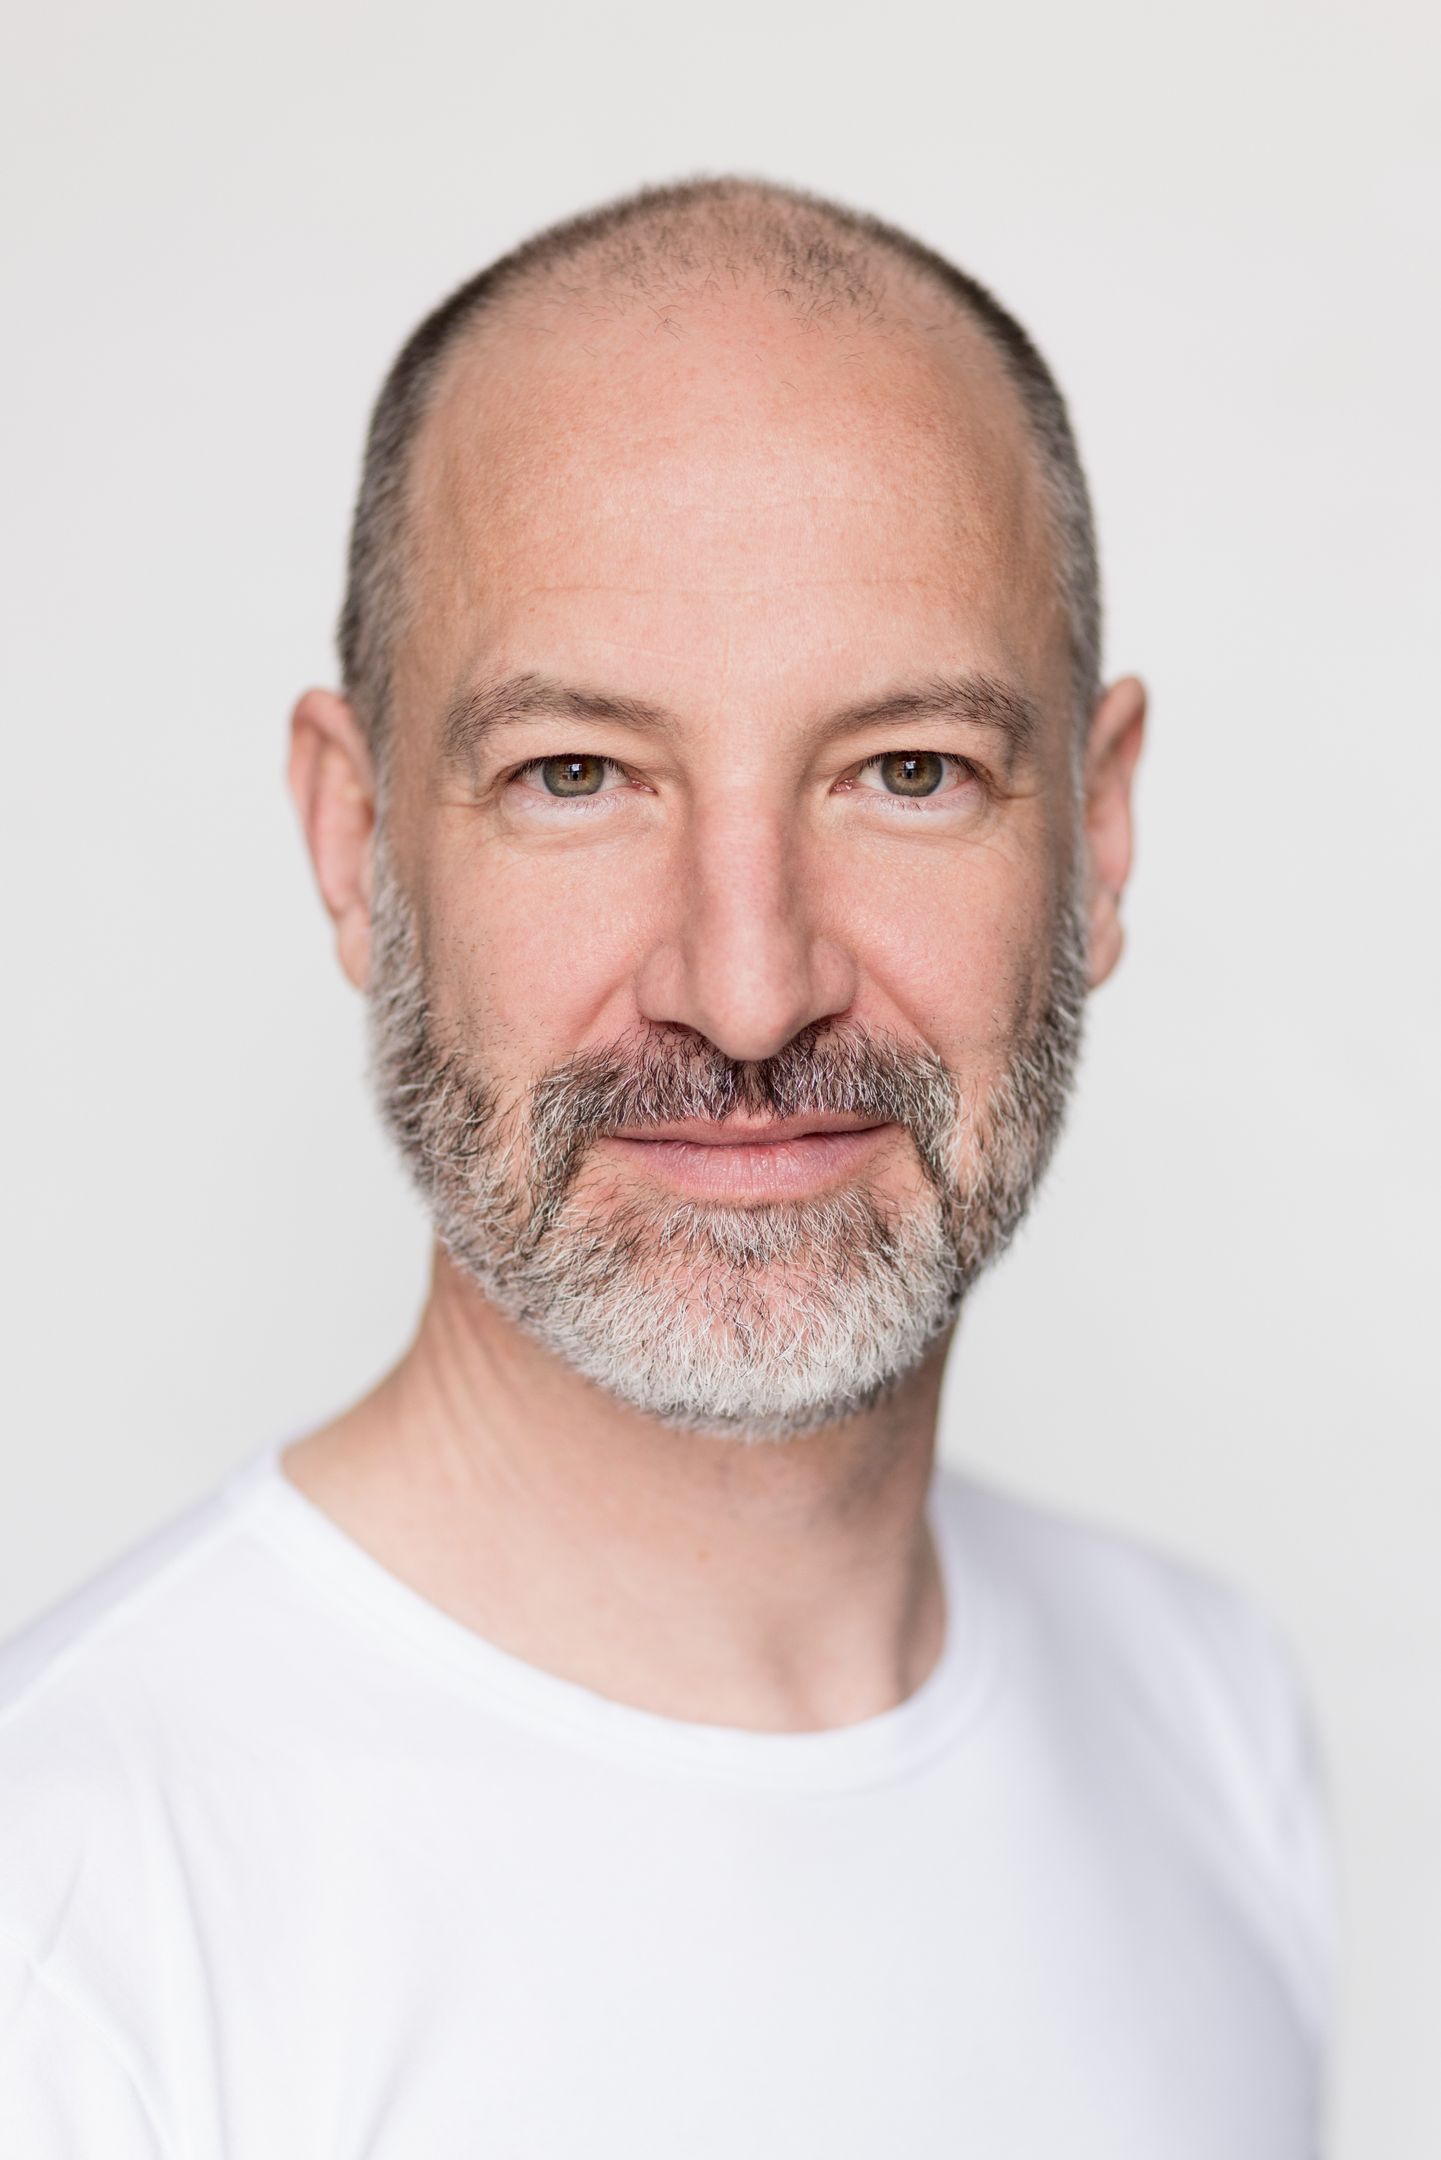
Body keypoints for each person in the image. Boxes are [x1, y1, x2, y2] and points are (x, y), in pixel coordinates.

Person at [0, 178, 1336, 2156]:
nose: (747, 988)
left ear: (1099, 832)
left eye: (906, 771)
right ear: (357, 846)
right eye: (574, 775)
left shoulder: (1211, 1720)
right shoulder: (74, 1930)